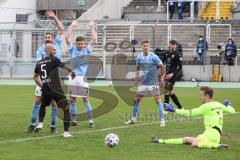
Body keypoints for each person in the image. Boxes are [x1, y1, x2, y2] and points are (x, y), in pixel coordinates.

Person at [152, 86, 235, 150]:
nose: (200, 97)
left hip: (210, 134)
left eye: (201, 95)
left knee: (194, 143)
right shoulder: (219, 104)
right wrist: (229, 105)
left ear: (207, 96)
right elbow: (232, 111)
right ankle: (160, 141)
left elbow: (189, 113)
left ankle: (217, 146)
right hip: (216, 136)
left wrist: (174, 110)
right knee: (185, 139)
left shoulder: (205, 106)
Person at [26, 10, 64, 134]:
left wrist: (54, 17)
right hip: (43, 80)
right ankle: (32, 124)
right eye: (46, 37)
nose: (48, 39)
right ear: (44, 39)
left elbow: (61, 28)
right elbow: (40, 65)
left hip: (54, 80)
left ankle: (53, 127)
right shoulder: (40, 50)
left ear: (52, 38)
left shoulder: (56, 44)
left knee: (54, 103)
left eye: (49, 37)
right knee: (37, 101)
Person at [33, 43, 76, 138]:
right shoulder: (54, 60)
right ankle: (66, 133)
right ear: (48, 50)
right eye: (53, 50)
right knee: (66, 109)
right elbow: (66, 66)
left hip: (45, 89)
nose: (55, 52)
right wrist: (72, 72)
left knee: (43, 105)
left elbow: (35, 77)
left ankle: (40, 123)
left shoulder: (39, 63)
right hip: (56, 89)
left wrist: (42, 85)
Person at [125, 40, 166, 127]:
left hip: (153, 83)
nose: (146, 47)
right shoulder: (139, 57)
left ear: (149, 47)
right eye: (144, 46)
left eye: (147, 46)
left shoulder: (154, 57)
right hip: (143, 84)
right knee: (136, 100)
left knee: (158, 101)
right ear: (142, 47)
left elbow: (163, 67)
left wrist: (162, 77)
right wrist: (136, 78)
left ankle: (162, 120)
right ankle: (133, 119)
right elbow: (137, 68)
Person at [65, 20, 97, 128]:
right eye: (78, 44)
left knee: (85, 99)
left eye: (82, 44)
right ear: (76, 44)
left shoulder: (86, 51)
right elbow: (67, 38)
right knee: (73, 99)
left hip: (82, 79)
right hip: (73, 78)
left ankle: (91, 121)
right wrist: (72, 26)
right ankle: (73, 120)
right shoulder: (72, 50)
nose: (80, 45)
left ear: (83, 44)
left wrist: (92, 27)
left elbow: (94, 40)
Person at [163, 40, 183, 109]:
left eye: (174, 44)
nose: (172, 46)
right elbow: (163, 63)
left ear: (175, 46)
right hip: (166, 75)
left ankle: (166, 108)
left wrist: (172, 74)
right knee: (170, 92)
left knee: (166, 89)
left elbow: (180, 67)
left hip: (173, 76)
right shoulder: (166, 53)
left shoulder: (177, 54)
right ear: (169, 45)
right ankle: (180, 107)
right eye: (171, 44)